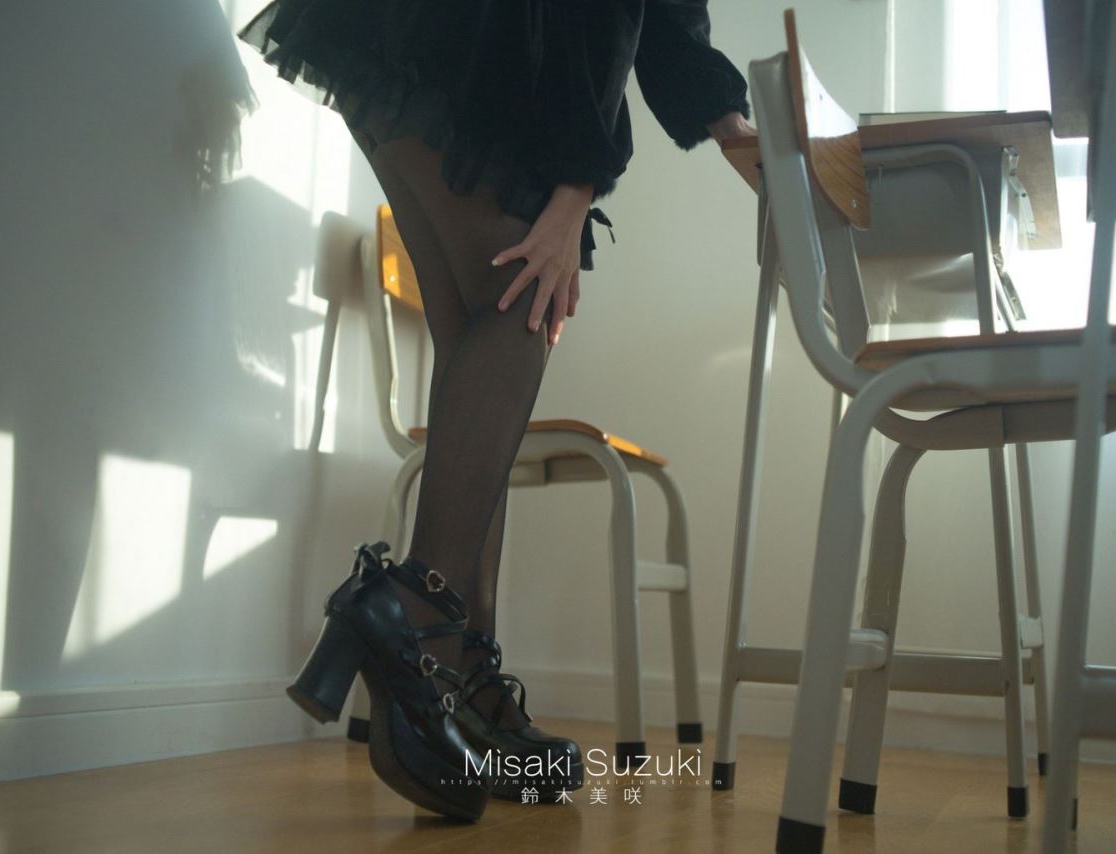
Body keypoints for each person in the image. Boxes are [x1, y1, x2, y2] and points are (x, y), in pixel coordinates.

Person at [236, 0, 755, 822]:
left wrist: (727, 120)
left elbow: (661, 16)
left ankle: (460, 677)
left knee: (479, 333)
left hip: (415, 35)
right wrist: (577, 185)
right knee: (525, 299)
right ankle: (413, 611)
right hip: (471, 38)